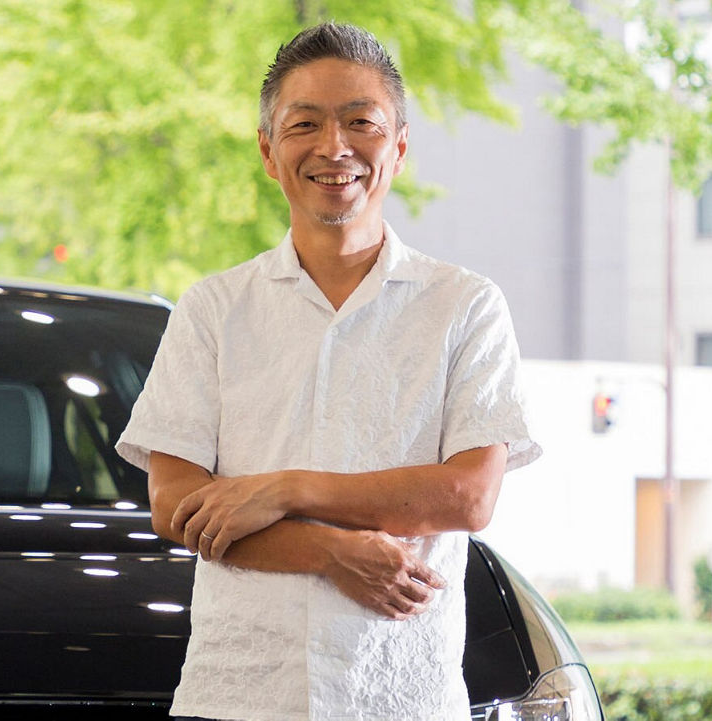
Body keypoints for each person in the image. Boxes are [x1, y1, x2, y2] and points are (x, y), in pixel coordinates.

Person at [115, 22, 541, 721]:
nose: (333, 147)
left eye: (360, 122)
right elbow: (177, 504)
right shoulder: (213, 308)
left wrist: (282, 489)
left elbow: (468, 496)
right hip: (240, 691)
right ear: (268, 150)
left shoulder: (465, 306)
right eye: (304, 123)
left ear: (398, 148)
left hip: (400, 694)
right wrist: (331, 551)